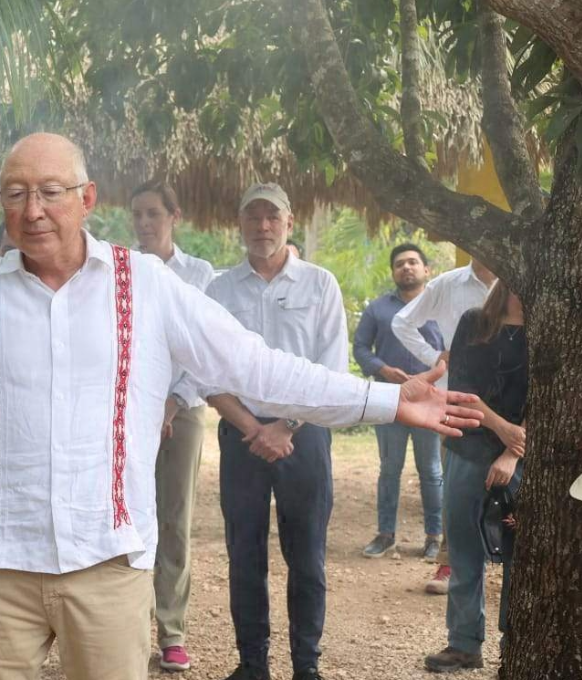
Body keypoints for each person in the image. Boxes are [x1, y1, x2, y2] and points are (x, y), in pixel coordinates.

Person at [0, 134, 479, 680]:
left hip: (108, 568)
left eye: (49, 191)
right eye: (15, 193)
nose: (32, 208)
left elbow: (257, 366)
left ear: (87, 199)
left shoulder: (146, 287)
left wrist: (384, 399)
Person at [204, 183, 349, 680]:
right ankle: (252, 665)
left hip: (304, 438)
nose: (262, 227)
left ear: (289, 222)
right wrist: (252, 427)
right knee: (244, 553)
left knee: (306, 556)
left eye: (272, 217)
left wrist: (285, 426)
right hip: (241, 436)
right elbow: (207, 372)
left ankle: (306, 667)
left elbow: (332, 367)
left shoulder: (319, 284)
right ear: (239, 224)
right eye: (252, 217)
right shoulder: (219, 290)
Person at [130, 179, 213, 672]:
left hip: (185, 411)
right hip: (128, 410)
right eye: (137, 214)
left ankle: (172, 632)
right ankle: (127, 625)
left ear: (174, 216)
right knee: (128, 517)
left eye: (153, 214)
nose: (144, 224)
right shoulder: (121, 270)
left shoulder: (199, 273)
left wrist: (173, 401)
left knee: (174, 522)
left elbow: (201, 346)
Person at [423, 281, 527, 673]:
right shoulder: (475, 322)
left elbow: (557, 398)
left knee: (519, 552)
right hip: (467, 449)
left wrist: (511, 452)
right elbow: (462, 388)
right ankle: (464, 643)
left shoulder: (549, 325)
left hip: (522, 457)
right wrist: (503, 430)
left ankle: (515, 644)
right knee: (465, 547)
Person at [392, 258, 497, 594]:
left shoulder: (520, 277)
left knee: (515, 479)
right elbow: (402, 322)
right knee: (457, 482)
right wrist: (435, 356)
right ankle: (450, 564)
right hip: (458, 397)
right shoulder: (448, 284)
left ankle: (513, 568)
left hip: (513, 395)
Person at [353, 244, 445, 563]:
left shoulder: (439, 308)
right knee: (389, 469)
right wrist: (383, 370)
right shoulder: (377, 309)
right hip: (388, 401)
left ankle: (434, 537)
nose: (406, 267)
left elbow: (453, 352)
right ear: (393, 272)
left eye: (413, 262)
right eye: (400, 264)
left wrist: (433, 378)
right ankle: (385, 535)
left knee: (431, 471)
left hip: (429, 403)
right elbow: (361, 348)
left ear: (426, 269)